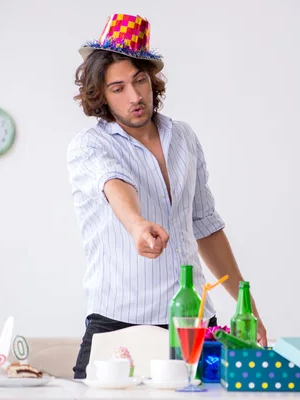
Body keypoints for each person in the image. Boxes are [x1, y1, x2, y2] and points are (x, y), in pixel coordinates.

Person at [66, 13, 267, 379]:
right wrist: (138, 225)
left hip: (196, 324)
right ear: (101, 96)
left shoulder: (184, 138)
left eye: (140, 81)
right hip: (120, 326)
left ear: (152, 80)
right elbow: (114, 182)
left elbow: (206, 226)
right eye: (118, 88)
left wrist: (247, 308)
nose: (135, 96)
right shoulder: (90, 145)